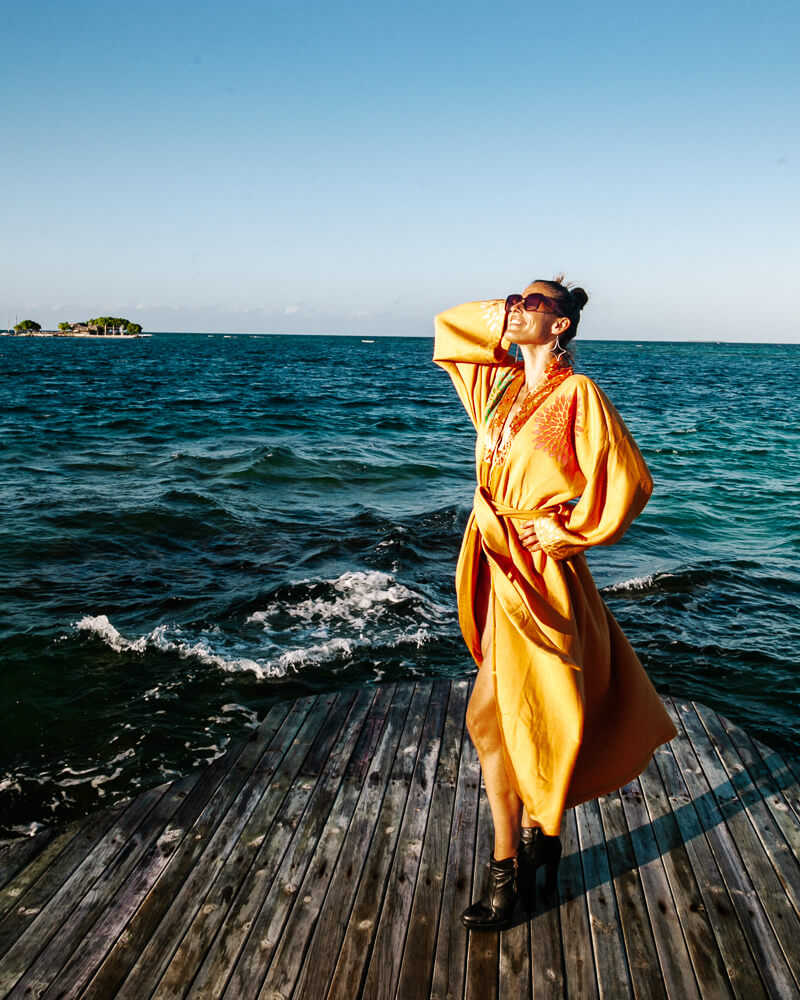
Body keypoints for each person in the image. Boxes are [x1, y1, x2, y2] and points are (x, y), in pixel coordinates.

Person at [433, 277, 677, 931]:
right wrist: (504, 312)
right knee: (500, 718)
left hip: (540, 575)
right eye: (513, 299)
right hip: (493, 557)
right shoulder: (500, 389)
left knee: (496, 717)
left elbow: (630, 479)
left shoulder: (579, 395)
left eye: (531, 303)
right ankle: (542, 835)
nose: (515, 308)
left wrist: (570, 532)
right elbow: (449, 327)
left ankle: (507, 870)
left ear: (562, 325)